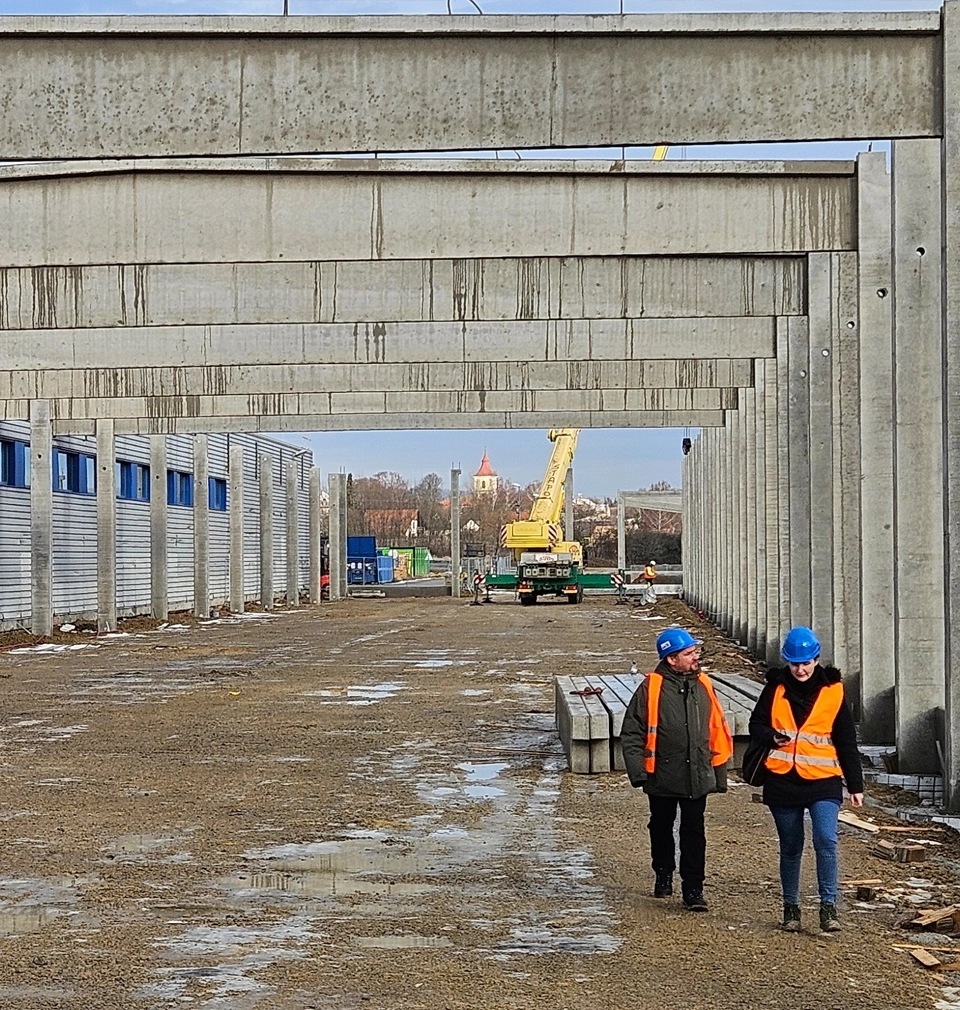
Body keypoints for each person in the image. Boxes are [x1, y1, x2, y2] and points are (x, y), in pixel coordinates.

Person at [748, 626, 864, 933]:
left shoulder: (834, 691)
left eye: (806, 663)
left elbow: (846, 740)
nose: (800, 669)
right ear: (787, 661)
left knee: (826, 839)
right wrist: (772, 737)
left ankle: (828, 907)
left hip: (823, 780)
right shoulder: (774, 689)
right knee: (791, 845)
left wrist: (856, 785)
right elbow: (756, 724)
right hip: (783, 781)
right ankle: (791, 908)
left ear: (816, 660)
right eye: (795, 663)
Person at [621, 628, 733, 912]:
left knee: (694, 830)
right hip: (661, 773)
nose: (695, 657)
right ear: (672, 659)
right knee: (660, 825)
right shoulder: (651, 688)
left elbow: (716, 729)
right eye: (689, 653)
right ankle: (663, 871)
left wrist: (717, 773)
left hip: (696, 772)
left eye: (694, 652)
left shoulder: (704, 684)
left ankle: (693, 889)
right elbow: (632, 731)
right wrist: (638, 772)